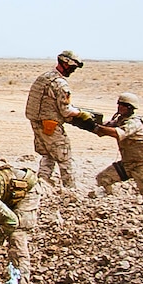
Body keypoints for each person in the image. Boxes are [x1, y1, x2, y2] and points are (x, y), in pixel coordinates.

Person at [25, 50, 98, 189]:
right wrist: (82, 114)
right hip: (50, 125)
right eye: (72, 68)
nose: (73, 71)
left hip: (37, 123)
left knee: (48, 156)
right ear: (65, 64)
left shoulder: (44, 77)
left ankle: (40, 186)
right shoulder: (60, 84)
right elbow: (65, 110)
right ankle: (70, 190)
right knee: (65, 159)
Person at [94, 92, 143, 199]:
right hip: (127, 164)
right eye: (119, 104)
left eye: (124, 105)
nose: (120, 107)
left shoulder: (135, 123)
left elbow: (117, 133)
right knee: (103, 179)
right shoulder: (121, 120)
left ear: (130, 107)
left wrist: (98, 128)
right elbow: (106, 127)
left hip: (142, 166)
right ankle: (110, 201)